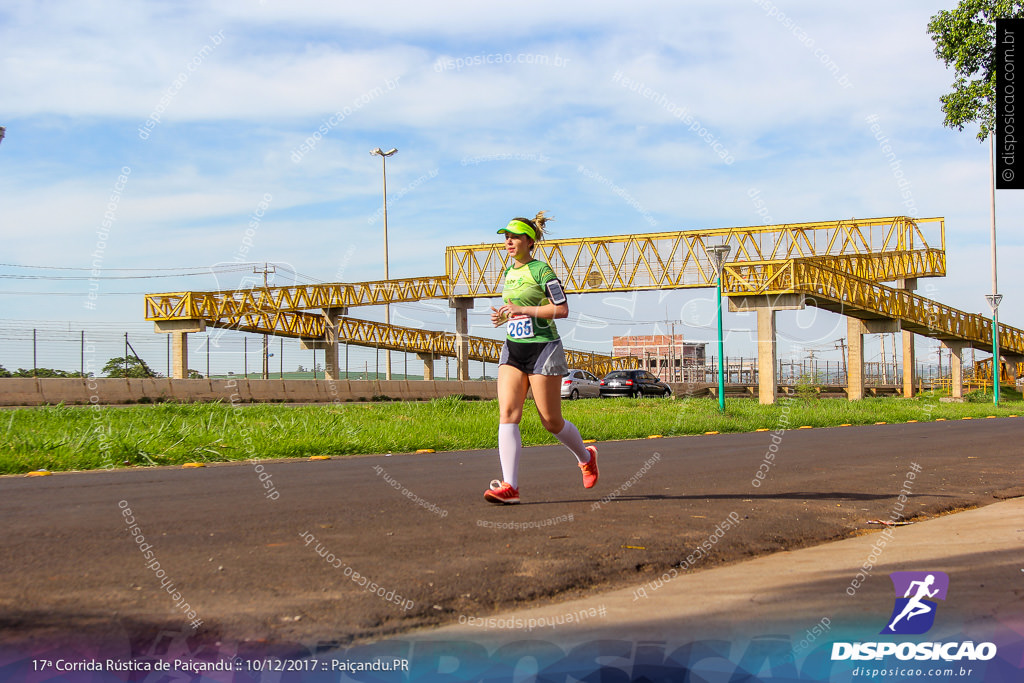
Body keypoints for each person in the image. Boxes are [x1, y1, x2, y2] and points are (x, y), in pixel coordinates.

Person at [484, 211, 598, 504]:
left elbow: (561, 309)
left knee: (550, 420)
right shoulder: (509, 273)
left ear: (529, 240)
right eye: (505, 238)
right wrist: (503, 317)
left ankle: (586, 457)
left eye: (514, 237)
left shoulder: (542, 271)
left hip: (543, 349)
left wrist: (527, 312)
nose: (508, 242)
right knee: (508, 414)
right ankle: (510, 487)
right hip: (513, 348)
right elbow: (514, 309)